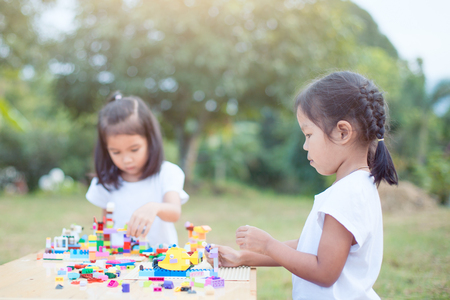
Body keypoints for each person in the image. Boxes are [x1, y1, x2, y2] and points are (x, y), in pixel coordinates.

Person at [208, 71, 398, 299]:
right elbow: (310, 246)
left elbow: (324, 271)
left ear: (343, 132)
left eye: (308, 134)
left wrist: (268, 244)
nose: (305, 146)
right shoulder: (356, 186)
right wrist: (245, 257)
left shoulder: (348, 193)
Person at [86, 91, 189, 247]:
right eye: (116, 152)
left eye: (134, 149)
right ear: (105, 150)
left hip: (161, 264)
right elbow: (105, 228)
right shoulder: (105, 182)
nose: (126, 159)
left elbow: (174, 212)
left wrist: (154, 207)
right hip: (120, 263)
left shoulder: (167, 173)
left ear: (150, 140)